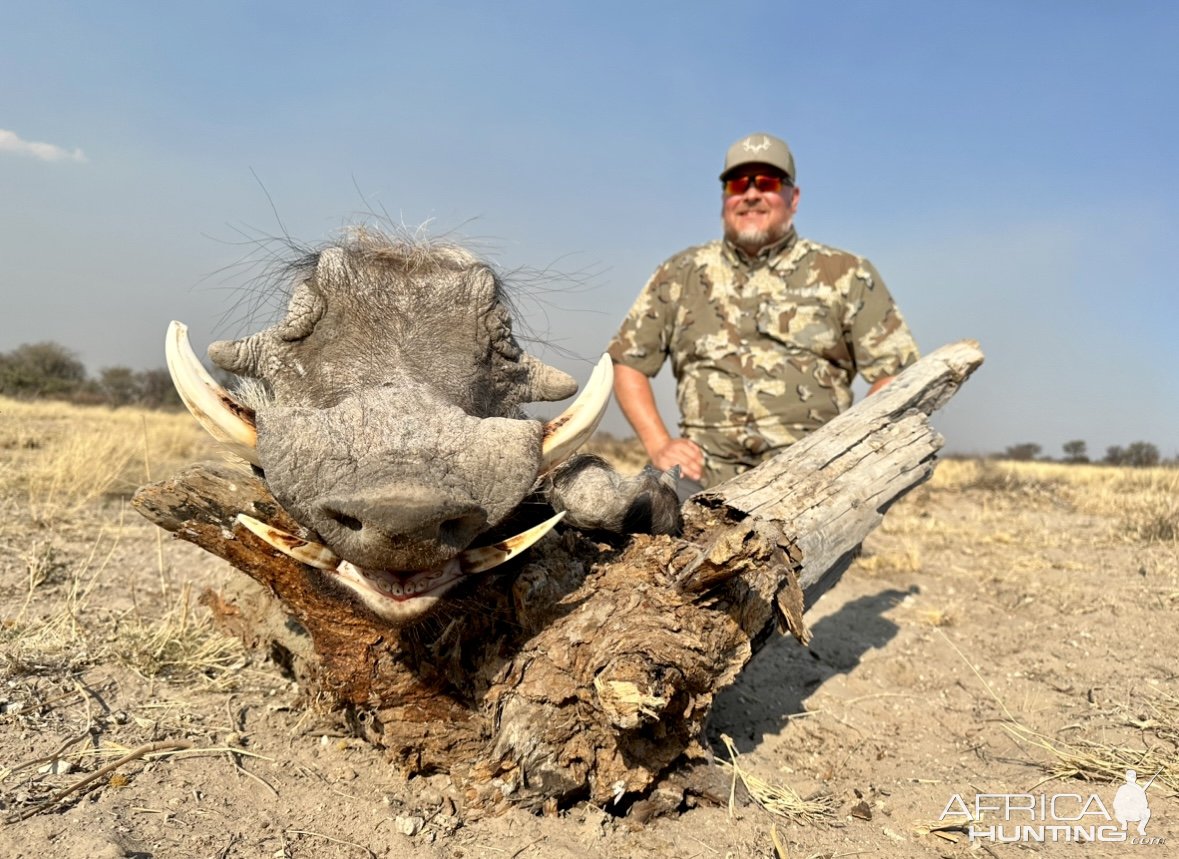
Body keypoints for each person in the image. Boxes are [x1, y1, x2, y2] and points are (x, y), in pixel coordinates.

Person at [608, 132, 919, 491]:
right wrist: (660, 445)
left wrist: (847, 455)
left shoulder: (847, 273)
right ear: (725, 198)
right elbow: (627, 362)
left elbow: (897, 373)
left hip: (810, 480)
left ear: (794, 197)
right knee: (638, 521)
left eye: (767, 182)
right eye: (738, 184)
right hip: (700, 475)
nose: (751, 194)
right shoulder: (679, 273)